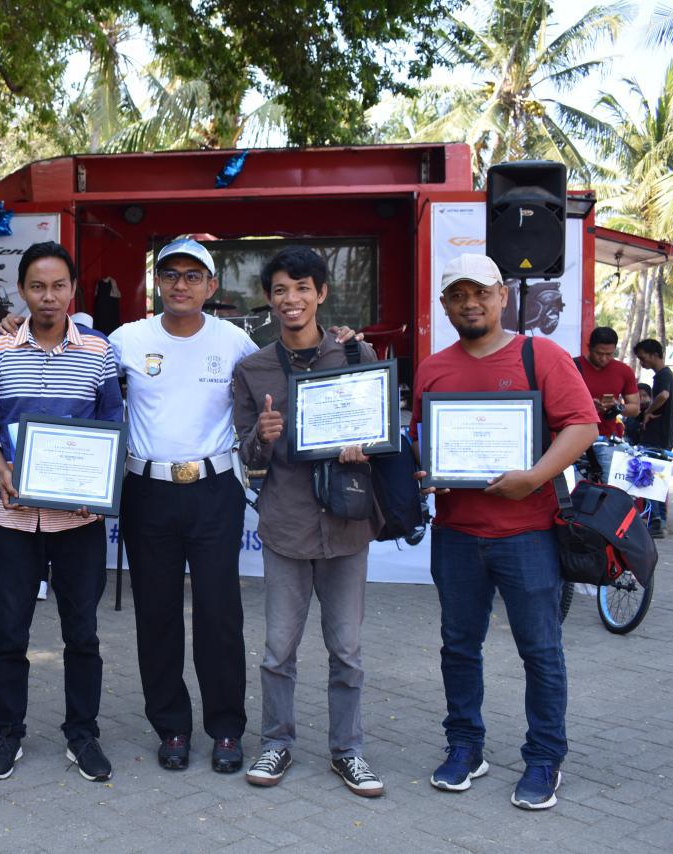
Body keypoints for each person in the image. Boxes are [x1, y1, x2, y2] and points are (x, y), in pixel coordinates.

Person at [413, 253, 596, 811]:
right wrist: (428, 472)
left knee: (540, 650)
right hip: (456, 534)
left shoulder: (541, 355)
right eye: (458, 295)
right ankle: (465, 746)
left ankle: (544, 757)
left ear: (502, 296)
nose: (470, 304)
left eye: (481, 292)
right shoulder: (432, 368)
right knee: (458, 646)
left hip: (527, 534)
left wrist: (535, 477)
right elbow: (426, 440)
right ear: (444, 306)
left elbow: (582, 425)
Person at [231, 246, 385, 797]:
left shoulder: (355, 353)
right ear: (268, 298)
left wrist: (364, 447)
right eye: (280, 289)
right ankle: (276, 743)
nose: (290, 299)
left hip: (346, 525)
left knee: (347, 652)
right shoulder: (252, 370)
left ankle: (349, 752)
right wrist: (262, 437)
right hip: (286, 525)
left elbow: (380, 436)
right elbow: (246, 455)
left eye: (301, 288)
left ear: (321, 293)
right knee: (278, 651)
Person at [0, 242, 123, 783]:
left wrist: (97, 485)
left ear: (73, 290)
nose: (49, 296)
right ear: (22, 290)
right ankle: (7, 733)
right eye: (37, 286)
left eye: (59, 286)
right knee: (9, 633)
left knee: (82, 633)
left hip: (79, 519)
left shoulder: (100, 352)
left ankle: (82, 734)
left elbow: (112, 426)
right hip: (13, 518)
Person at [108, 237, 258, 773]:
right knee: (157, 615)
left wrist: (345, 345)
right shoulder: (127, 339)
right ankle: (171, 726)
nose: (181, 284)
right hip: (147, 490)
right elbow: (78, 362)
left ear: (211, 286)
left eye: (193, 276)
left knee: (220, 614)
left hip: (214, 491)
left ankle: (226, 729)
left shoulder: (234, 340)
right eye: (170, 274)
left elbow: (278, 378)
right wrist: (18, 329)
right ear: (157, 283)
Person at [633, 338, 673, 537]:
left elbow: (664, 396)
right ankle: (660, 521)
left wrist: (648, 412)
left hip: (655, 438)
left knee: (649, 480)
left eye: (643, 358)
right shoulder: (669, 376)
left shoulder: (662, 376)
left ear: (654, 355)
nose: (642, 362)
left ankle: (656, 521)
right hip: (664, 437)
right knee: (657, 480)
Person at [573, 327, 639, 439]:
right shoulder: (572, 366)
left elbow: (635, 409)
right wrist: (586, 406)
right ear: (589, 347)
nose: (603, 359)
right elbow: (556, 403)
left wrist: (616, 407)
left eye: (609, 354)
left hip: (606, 438)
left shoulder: (624, 371)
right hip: (574, 436)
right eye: (599, 353)